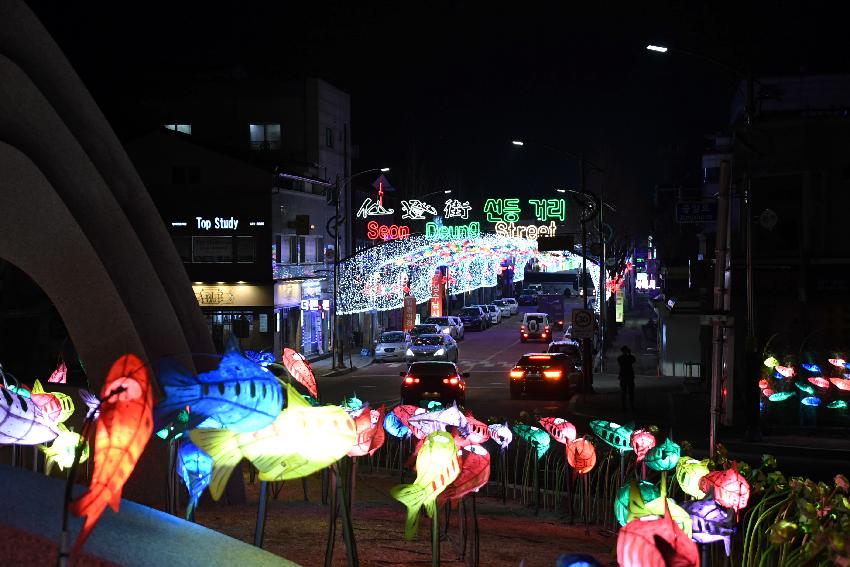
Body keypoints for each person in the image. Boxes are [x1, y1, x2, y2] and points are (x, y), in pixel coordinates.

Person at [617, 345, 636, 410]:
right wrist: (629, 354)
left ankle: (623, 406)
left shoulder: (620, 358)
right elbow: (634, 360)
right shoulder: (630, 357)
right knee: (630, 392)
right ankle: (631, 406)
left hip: (623, 376)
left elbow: (620, 362)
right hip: (629, 375)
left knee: (624, 392)